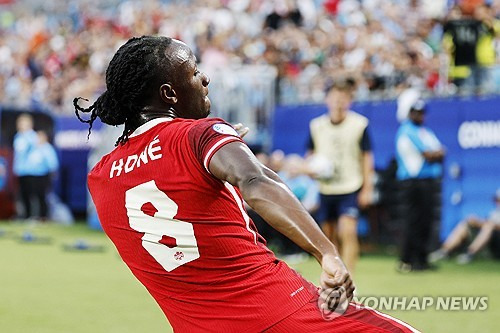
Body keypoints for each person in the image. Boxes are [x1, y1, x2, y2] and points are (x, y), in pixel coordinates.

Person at [75, 36, 418, 332]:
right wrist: (326, 252)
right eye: (194, 71)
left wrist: (213, 170)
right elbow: (256, 180)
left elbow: (184, 211)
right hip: (281, 310)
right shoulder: (199, 134)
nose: (204, 78)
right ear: (169, 94)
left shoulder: (101, 176)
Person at [307, 78, 374, 274]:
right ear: (327, 99)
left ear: (349, 101)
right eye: (334, 97)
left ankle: (350, 278)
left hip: (350, 186)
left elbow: (367, 157)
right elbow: (310, 154)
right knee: (328, 236)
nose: (338, 101)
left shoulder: (359, 125)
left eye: (343, 97)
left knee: (348, 231)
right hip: (326, 187)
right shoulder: (317, 126)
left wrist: (367, 188)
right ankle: (334, 275)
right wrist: (310, 168)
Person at [395, 100, 445, 272]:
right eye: (416, 112)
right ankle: (408, 259)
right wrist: (435, 154)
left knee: (426, 221)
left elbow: (441, 152)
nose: (420, 115)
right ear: (410, 114)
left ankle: (422, 259)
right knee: (413, 221)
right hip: (413, 182)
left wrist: (436, 154)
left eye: (422, 112)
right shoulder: (407, 130)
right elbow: (430, 154)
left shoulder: (425, 131)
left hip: (427, 181)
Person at [430, 189, 500, 265]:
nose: (497, 202)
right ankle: (444, 251)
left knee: (488, 227)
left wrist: (485, 224)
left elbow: (492, 225)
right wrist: (477, 222)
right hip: (489, 240)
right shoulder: (494, 212)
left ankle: (470, 253)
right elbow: (488, 223)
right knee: (466, 223)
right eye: (497, 200)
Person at [13, 113, 39, 220]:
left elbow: (36, 154)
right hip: (21, 170)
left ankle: (34, 216)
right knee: (22, 194)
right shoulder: (18, 136)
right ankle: (25, 215)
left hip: (31, 170)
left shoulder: (32, 137)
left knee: (32, 194)